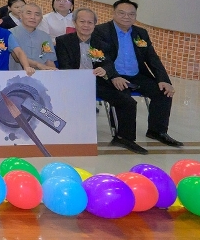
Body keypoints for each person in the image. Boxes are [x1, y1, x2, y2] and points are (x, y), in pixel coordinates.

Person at [89, 0, 181, 148]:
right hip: (112, 75)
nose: (127, 17)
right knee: (124, 97)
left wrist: (163, 79)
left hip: (137, 75)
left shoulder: (140, 33)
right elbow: (101, 57)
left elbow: (152, 58)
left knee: (163, 93)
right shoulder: (101, 31)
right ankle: (124, 137)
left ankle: (157, 131)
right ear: (113, 13)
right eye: (122, 13)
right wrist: (113, 76)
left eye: (131, 14)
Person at [52, 8, 145, 153]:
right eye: (82, 21)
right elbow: (65, 66)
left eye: (90, 22)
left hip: (98, 82)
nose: (86, 25)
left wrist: (104, 69)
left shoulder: (101, 42)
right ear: (75, 23)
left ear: (95, 24)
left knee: (128, 102)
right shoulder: (63, 41)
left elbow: (108, 62)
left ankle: (124, 138)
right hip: (73, 82)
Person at [7, 2, 58, 74]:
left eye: (37, 14)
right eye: (29, 13)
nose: (33, 17)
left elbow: (49, 60)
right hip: (16, 75)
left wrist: (54, 73)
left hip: (41, 75)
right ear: (21, 15)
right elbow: (17, 57)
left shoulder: (45, 36)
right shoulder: (10, 33)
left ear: (41, 18)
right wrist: (38, 65)